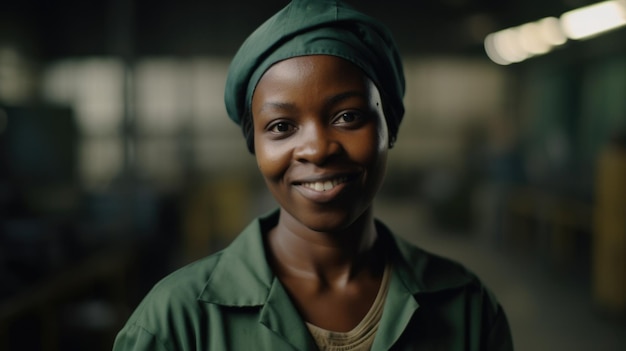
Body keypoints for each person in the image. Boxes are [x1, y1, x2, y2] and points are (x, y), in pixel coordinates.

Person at [112, 0, 514, 350]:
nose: (318, 148)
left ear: (390, 125)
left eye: (348, 116)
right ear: (255, 145)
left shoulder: (467, 308)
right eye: (282, 126)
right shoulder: (174, 324)